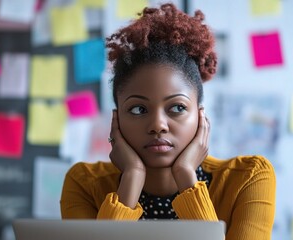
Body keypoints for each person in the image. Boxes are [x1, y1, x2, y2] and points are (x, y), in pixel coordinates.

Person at [60, 3, 276, 240]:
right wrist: (131, 178)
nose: (158, 125)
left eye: (177, 107)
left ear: (200, 117)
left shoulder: (248, 178)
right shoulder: (84, 184)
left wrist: (186, 178)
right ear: (117, 119)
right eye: (138, 109)